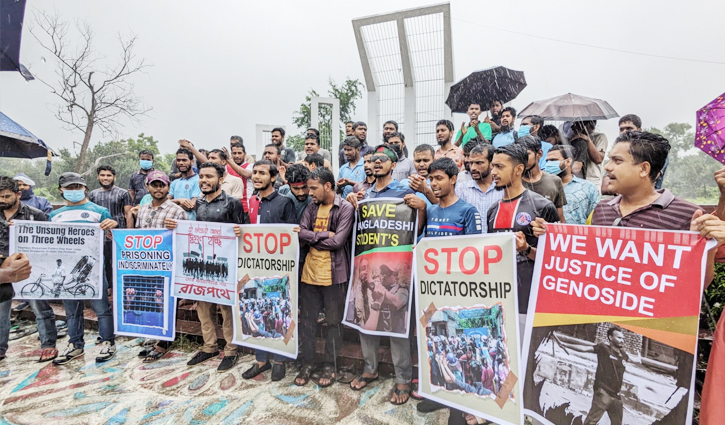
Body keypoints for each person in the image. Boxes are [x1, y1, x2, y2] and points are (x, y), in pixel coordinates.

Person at [347, 145, 422, 406]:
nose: (376, 163)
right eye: (372, 160)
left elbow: (417, 226)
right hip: (368, 263)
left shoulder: (404, 191)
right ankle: (370, 368)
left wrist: (421, 206)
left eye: (382, 160)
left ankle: (403, 378)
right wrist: (350, 204)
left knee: (397, 327)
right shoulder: (362, 193)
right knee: (366, 322)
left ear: (394, 164)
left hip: (396, 261)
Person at [165, 162, 245, 372]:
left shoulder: (232, 203)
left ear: (221, 179)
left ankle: (231, 349)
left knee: (226, 309)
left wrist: (239, 232)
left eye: (209, 176)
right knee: (203, 307)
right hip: (201, 265)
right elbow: (193, 230)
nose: (204, 180)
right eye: (201, 176)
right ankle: (209, 346)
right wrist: (176, 227)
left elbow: (243, 232)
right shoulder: (199, 203)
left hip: (225, 266)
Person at [488, 144, 559, 337]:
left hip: (529, 301)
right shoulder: (492, 211)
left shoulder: (542, 207)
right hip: (498, 298)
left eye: (499, 167)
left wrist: (527, 249)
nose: (493, 172)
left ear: (519, 169)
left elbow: (555, 262)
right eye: (493, 166)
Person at [294, 167, 355, 388]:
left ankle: (330, 365)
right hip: (310, 274)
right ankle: (308, 363)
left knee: (333, 323)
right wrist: (322, 235)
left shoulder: (345, 208)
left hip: (334, 274)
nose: (309, 192)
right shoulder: (311, 207)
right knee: (308, 323)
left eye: (313, 188)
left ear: (327, 186)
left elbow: (338, 242)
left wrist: (312, 238)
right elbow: (300, 232)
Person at [49, 172, 118, 364]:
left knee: (102, 309)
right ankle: (75, 344)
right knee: (72, 311)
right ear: (61, 191)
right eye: (70, 188)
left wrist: (113, 225)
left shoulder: (100, 211)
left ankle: (108, 342)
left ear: (85, 188)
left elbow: (113, 238)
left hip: (94, 270)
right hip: (66, 271)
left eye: (77, 187)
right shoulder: (54, 215)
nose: (74, 191)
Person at [240, 161, 297, 382]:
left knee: (278, 312)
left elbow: (291, 235)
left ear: (273, 178)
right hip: (255, 267)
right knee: (256, 309)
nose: (256, 176)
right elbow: (246, 230)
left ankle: (280, 360)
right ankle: (261, 360)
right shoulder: (251, 201)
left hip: (279, 270)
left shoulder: (285, 202)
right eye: (254, 172)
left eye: (262, 173)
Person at [0, 176, 59, 363]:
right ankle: (1, 349)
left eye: (6, 196)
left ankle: (48, 344)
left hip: (29, 268)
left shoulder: (35, 214)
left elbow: (49, 240)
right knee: (1, 310)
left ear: (18, 194)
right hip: (2, 270)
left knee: (40, 308)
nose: (2, 200)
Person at [134, 171, 187, 362]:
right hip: (146, 263)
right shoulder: (142, 210)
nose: (158, 189)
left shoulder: (177, 211)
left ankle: (164, 342)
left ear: (168, 187)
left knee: (165, 302)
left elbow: (185, 238)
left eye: (162, 185)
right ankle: (152, 337)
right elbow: (137, 235)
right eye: (154, 185)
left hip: (167, 264)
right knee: (148, 300)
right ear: (147, 187)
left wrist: (177, 228)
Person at [554, 327, 631, 425]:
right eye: (619, 338)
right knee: (591, 422)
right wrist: (566, 345)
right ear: (611, 337)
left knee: (617, 423)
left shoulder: (623, 355)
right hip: (603, 393)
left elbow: (635, 360)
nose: (622, 340)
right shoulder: (604, 348)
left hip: (616, 396)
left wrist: (638, 359)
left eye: (623, 338)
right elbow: (586, 349)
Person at [89, 165, 133, 291]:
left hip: (118, 233)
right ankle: (106, 287)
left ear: (114, 177)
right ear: (98, 177)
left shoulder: (123, 193)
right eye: (102, 175)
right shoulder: (93, 194)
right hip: (99, 234)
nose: (105, 178)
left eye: (108, 175)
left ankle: (120, 287)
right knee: (102, 261)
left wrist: (128, 235)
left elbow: (128, 214)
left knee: (119, 261)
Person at [544, 145, 599, 224]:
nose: (549, 164)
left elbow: (595, 219)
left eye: (553, 160)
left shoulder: (587, 187)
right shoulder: (542, 186)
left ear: (568, 162)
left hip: (577, 235)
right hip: (550, 235)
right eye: (547, 161)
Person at [455, 144, 504, 232]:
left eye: (478, 163)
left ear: (492, 164)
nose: (473, 168)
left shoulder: (503, 189)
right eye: (471, 163)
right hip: (470, 244)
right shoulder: (460, 190)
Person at [519, 136, 567, 223]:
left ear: (539, 154)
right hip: (519, 234)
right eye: (520, 154)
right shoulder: (514, 181)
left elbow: (560, 218)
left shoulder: (554, 181)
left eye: (527, 154)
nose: (523, 158)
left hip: (545, 233)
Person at [207, 149, 248, 222]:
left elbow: (235, 206)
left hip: (229, 222)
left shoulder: (236, 181)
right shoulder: (207, 181)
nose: (210, 160)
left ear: (223, 162)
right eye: (209, 158)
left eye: (213, 158)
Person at [570, 120, 607, 189]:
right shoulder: (574, 139)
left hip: (592, 180)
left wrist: (587, 140)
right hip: (576, 181)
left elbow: (598, 159)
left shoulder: (599, 137)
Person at [169, 148, 201, 221]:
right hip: (174, 224)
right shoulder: (175, 182)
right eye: (178, 160)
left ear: (192, 162)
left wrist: (172, 205)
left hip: (191, 223)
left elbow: (192, 205)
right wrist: (179, 200)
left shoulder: (198, 180)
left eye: (184, 160)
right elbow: (164, 202)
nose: (181, 163)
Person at [224, 139, 252, 215]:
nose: (237, 156)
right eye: (234, 153)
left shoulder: (250, 166)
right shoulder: (226, 167)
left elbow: (245, 174)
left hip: (246, 208)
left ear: (245, 153)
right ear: (231, 154)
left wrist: (229, 160)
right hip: (229, 208)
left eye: (239, 153)